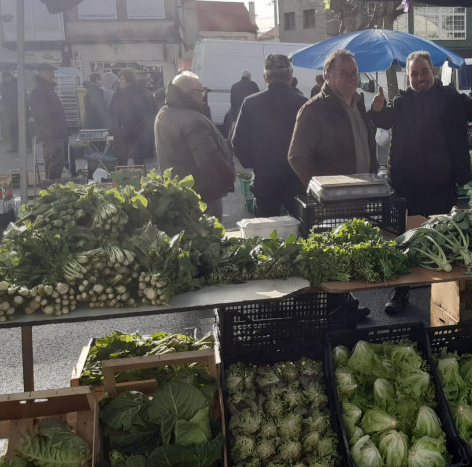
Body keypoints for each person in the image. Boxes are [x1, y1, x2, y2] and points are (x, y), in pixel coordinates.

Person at [370, 50, 472, 313]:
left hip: (442, 182)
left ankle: (444, 294)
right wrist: (377, 110)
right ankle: (402, 292)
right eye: (414, 74)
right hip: (407, 184)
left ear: (432, 72)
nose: (420, 78)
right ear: (408, 76)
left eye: (424, 72)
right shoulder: (403, 101)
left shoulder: (450, 97)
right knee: (406, 238)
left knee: (442, 236)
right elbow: (385, 120)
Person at [289, 49, 377, 319]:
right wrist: (320, 191)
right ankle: (333, 313)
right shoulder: (314, 109)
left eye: (354, 73)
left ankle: (345, 303)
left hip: (360, 194)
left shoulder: (357, 103)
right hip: (332, 201)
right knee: (331, 255)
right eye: (344, 73)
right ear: (327, 75)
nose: (351, 79)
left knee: (347, 252)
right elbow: (296, 156)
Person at [232, 54, 307, 217]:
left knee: (266, 235)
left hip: (264, 178)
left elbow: (237, 141)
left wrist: (255, 163)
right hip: (296, 179)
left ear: (265, 78)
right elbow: (314, 143)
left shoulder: (251, 102)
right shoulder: (303, 103)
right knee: (301, 232)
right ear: (290, 76)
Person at [155, 71, 236, 220]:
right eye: (201, 91)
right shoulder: (193, 120)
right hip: (203, 195)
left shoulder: (164, 113)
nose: (204, 95)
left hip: (178, 192)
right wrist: (229, 175)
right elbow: (209, 160)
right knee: (210, 235)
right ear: (192, 93)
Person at [108, 68, 156, 168]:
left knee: (129, 166)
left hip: (130, 135)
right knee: (132, 165)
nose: (119, 82)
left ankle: (130, 182)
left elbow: (112, 113)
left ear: (129, 80)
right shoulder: (143, 93)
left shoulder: (125, 95)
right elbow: (111, 113)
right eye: (119, 79)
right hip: (131, 135)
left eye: (121, 79)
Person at [29, 63, 68, 180]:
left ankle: (48, 190)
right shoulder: (39, 90)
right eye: (50, 72)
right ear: (40, 73)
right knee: (57, 162)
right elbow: (41, 115)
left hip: (52, 133)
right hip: (51, 134)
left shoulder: (46, 88)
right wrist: (53, 131)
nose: (53, 75)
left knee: (51, 162)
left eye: (53, 72)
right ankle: (51, 189)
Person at [0, 70, 20, 152]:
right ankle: (14, 146)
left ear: (10, 76)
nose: (7, 79)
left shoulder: (16, 83)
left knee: (23, 128)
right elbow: (3, 98)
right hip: (10, 110)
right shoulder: (3, 86)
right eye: (5, 77)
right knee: (12, 129)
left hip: (18, 108)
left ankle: (27, 146)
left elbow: (20, 95)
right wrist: (5, 107)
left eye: (8, 76)